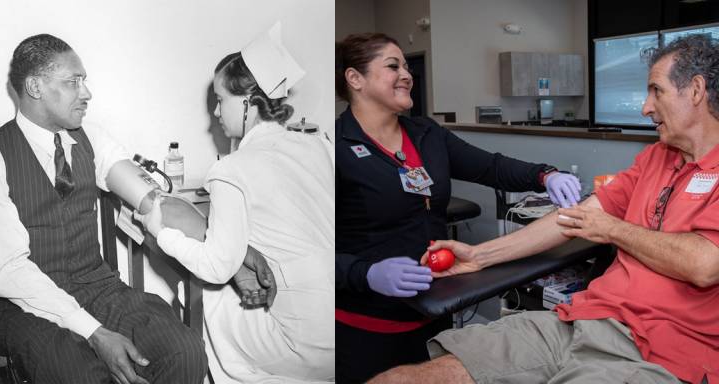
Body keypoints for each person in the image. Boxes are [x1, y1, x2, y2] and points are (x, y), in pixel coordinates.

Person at [370, 34, 719, 384]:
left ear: (695, 90)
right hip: (584, 320)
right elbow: (574, 218)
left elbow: (704, 264)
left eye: (656, 91)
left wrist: (612, 228)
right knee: (405, 378)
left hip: (660, 353)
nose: (645, 107)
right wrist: (479, 256)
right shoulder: (656, 157)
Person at [335, 32, 582, 383]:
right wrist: (366, 273)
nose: (406, 74)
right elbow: (310, 253)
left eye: (406, 65)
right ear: (355, 78)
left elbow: (490, 166)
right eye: (393, 66)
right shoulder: (334, 149)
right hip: (369, 326)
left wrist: (544, 175)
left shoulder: (426, 133)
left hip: (434, 310)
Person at [0, 34, 209, 384]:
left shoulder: (91, 138)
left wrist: (235, 252)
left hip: (97, 286)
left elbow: (155, 202)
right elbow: (10, 273)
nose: (86, 92)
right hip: (28, 302)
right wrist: (95, 332)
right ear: (34, 86)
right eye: (73, 82)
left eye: (84, 81)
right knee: (80, 376)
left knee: (184, 352)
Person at [136, 24, 335, 383]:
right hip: (342, 326)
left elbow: (215, 266)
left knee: (207, 292)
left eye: (220, 99)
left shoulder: (231, 169)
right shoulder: (319, 144)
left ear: (247, 102)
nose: (215, 112)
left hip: (304, 347)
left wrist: (158, 232)